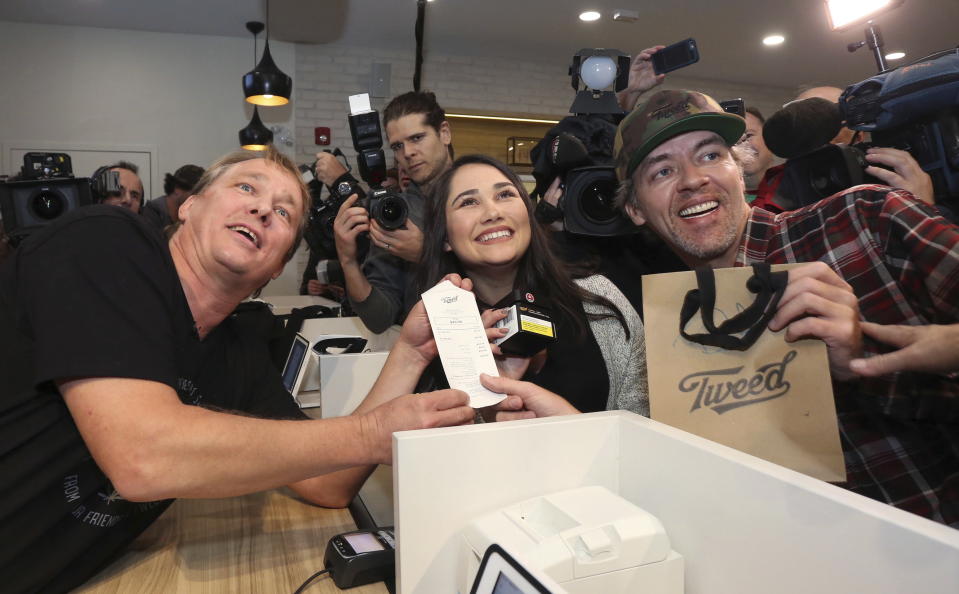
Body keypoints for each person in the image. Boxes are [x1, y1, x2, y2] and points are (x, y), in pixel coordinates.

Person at [0, 146, 474, 592]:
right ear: (188, 207)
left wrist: (410, 354)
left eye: (284, 212)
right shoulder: (108, 241)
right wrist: (371, 432)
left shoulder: (236, 350)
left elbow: (329, 482)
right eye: (246, 188)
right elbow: (144, 457)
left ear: (276, 268)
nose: (264, 210)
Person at [607, 88, 958, 526]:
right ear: (636, 209)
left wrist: (870, 362)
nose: (693, 179)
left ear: (740, 169)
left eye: (711, 155)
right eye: (662, 171)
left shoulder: (865, 220)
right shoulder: (664, 337)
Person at [416, 154, 647, 415]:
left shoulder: (600, 298)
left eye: (505, 195)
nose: (493, 213)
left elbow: (641, 427)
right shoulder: (429, 340)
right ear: (445, 237)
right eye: (469, 202)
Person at [333, 90, 455, 332]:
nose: (407, 153)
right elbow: (379, 319)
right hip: (426, 356)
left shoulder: (486, 192)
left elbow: (509, 276)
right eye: (398, 146)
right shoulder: (396, 214)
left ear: (444, 133)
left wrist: (426, 254)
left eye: (417, 138)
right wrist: (347, 260)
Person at [141, 163, 204, 229]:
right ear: (177, 189)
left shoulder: (189, 213)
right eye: (196, 194)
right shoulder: (152, 214)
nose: (198, 200)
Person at [740, 106, 776, 203]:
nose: (741, 144)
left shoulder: (797, 189)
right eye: (733, 140)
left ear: (768, 138)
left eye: (748, 135)